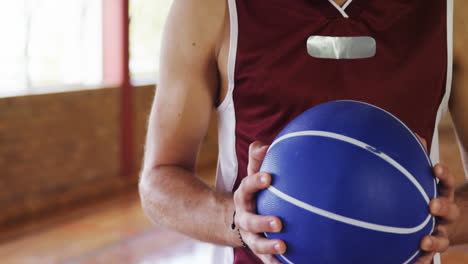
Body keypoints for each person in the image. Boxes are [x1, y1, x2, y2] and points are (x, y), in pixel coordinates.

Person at [139, 0, 468, 263]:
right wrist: (237, 219)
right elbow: (158, 181)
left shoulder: (453, 11)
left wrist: (451, 223)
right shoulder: (212, 8)